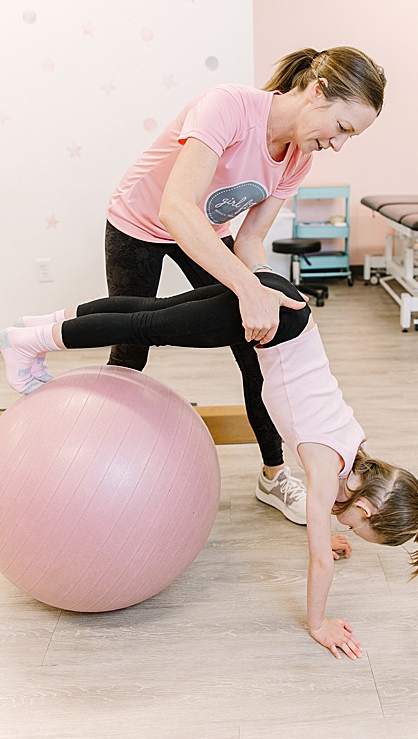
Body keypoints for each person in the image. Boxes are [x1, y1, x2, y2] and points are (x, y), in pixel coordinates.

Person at [1, 272, 418, 660]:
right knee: (146, 325)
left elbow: (326, 525)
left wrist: (324, 531)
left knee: (154, 310)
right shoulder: (322, 467)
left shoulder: (354, 449)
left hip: (282, 304)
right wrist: (319, 623)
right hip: (271, 317)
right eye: (355, 526)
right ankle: (30, 342)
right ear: (366, 507)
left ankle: (43, 324)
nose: (344, 526)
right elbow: (319, 565)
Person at [98, 46, 386, 526]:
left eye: (348, 137)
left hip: (208, 232)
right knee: (131, 347)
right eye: (341, 127)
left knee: (259, 349)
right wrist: (247, 289)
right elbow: (176, 208)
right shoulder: (229, 106)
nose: (338, 144)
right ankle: (101, 462)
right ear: (318, 91)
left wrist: (269, 288)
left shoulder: (297, 159)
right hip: (139, 223)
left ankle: (274, 477)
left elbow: (250, 240)